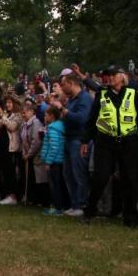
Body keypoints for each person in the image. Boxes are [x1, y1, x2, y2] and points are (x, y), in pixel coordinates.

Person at [80, 66, 138, 227]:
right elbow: (92, 119)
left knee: (130, 178)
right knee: (101, 176)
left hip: (128, 141)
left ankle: (130, 217)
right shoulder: (101, 95)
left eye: (114, 75)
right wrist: (85, 141)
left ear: (123, 77)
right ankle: (89, 211)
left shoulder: (133, 94)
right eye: (108, 75)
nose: (110, 78)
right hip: (105, 141)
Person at [52, 74, 93, 217]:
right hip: (68, 139)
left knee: (79, 174)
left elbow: (82, 119)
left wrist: (63, 110)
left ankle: (82, 204)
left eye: (63, 85)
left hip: (79, 140)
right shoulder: (71, 100)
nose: (62, 88)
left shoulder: (85, 98)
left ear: (71, 83)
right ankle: (74, 204)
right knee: (68, 174)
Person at [41, 106, 66, 215]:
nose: (44, 117)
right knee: (56, 184)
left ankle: (58, 207)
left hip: (54, 161)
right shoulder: (57, 127)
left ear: (51, 116)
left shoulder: (53, 128)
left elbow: (54, 146)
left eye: (46, 115)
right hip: (57, 160)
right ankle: (57, 206)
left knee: (54, 185)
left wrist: (48, 161)